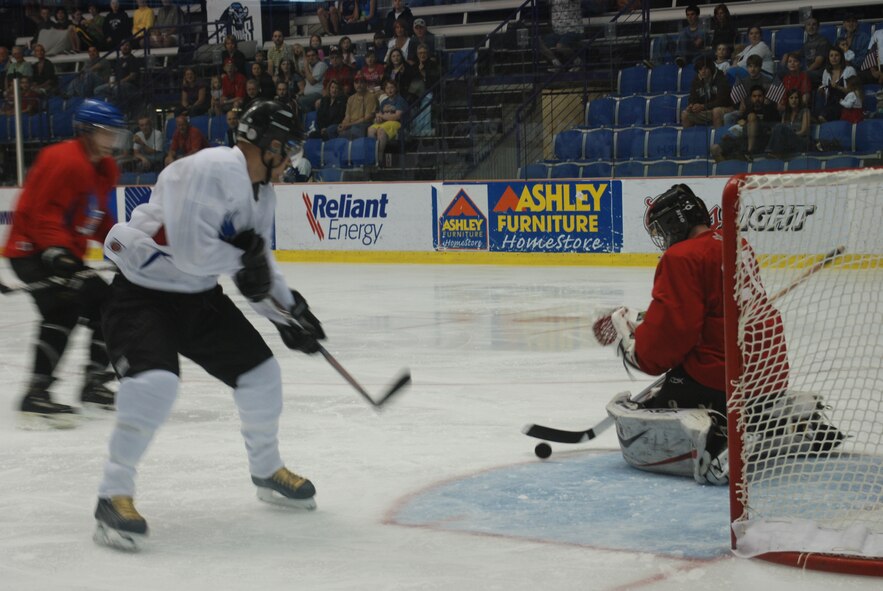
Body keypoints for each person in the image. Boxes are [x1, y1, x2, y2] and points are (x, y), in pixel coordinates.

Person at [92, 100, 323, 551]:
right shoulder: (210, 169)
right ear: (270, 145)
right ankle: (112, 494)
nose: (291, 159)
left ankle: (266, 470)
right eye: (289, 148)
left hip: (197, 296)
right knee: (156, 383)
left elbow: (257, 266)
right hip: (141, 295)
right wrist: (247, 266)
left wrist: (290, 314)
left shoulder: (262, 195)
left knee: (262, 374)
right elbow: (194, 252)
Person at [604, 185, 842, 486]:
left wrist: (635, 351)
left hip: (720, 374)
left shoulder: (682, 257)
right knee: (745, 399)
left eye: (661, 230)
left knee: (652, 407)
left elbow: (671, 338)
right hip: (769, 374)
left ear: (674, 223)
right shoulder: (736, 244)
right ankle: (794, 418)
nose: (663, 239)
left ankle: (715, 440)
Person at [3, 99, 125, 428]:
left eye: (115, 132)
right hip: (30, 250)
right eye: (106, 132)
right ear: (86, 131)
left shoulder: (105, 168)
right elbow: (43, 214)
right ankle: (36, 394)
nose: (112, 139)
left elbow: (96, 218)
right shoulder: (62, 160)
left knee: (108, 305)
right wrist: (58, 254)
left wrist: (123, 247)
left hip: (62, 253)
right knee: (62, 311)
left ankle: (93, 383)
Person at [681, 56, 732, 128]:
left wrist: (703, 106)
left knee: (716, 111)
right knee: (685, 114)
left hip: (725, 108)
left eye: (705, 68)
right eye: (700, 69)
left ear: (711, 68)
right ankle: (689, 135)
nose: (703, 71)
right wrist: (692, 106)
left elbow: (721, 101)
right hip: (706, 110)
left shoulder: (721, 78)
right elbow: (692, 97)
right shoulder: (696, 80)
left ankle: (717, 134)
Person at [326, 73, 378, 140]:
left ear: (366, 84)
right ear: (354, 84)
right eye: (356, 83)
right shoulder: (351, 98)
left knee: (352, 131)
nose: (359, 85)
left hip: (363, 125)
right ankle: (337, 145)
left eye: (361, 82)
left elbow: (367, 118)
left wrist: (349, 124)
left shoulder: (371, 97)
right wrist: (343, 125)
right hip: (351, 124)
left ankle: (340, 143)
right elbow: (347, 116)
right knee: (331, 129)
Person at [368, 79, 407, 164]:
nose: (390, 90)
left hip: (397, 123)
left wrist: (382, 116)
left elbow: (397, 116)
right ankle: (373, 156)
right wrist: (378, 118)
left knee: (381, 131)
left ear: (396, 88)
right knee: (370, 129)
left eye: (392, 87)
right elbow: (380, 115)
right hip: (384, 123)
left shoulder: (399, 100)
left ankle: (379, 159)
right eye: (387, 88)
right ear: (385, 90)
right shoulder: (384, 102)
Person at [765, 89, 811, 159]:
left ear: (799, 100)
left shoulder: (805, 111)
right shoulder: (785, 114)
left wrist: (790, 134)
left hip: (801, 140)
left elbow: (804, 131)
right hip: (788, 142)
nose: (794, 100)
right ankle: (774, 152)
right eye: (791, 98)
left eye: (796, 98)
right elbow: (781, 132)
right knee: (777, 128)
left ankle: (773, 151)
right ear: (788, 100)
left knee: (779, 126)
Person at [815, 46, 857, 123]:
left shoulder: (849, 70)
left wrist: (838, 87)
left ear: (841, 57)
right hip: (829, 104)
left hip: (844, 103)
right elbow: (824, 87)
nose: (834, 58)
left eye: (836, 55)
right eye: (831, 56)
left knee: (824, 115)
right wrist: (821, 90)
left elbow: (854, 92)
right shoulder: (826, 72)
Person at [799, 16, 830, 88]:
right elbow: (800, 53)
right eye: (808, 24)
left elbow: (818, 63)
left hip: (821, 72)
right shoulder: (807, 42)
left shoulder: (822, 41)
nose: (811, 27)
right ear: (805, 28)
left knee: (801, 76)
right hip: (810, 71)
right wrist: (787, 55)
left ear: (818, 27)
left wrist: (805, 72)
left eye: (814, 24)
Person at [298, 48, 328, 113]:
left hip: (318, 94)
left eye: (313, 55)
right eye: (308, 56)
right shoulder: (310, 67)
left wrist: (306, 66)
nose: (311, 58)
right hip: (309, 96)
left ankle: (310, 118)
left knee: (301, 100)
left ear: (317, 56)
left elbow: (312, 81)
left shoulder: (321, 65)